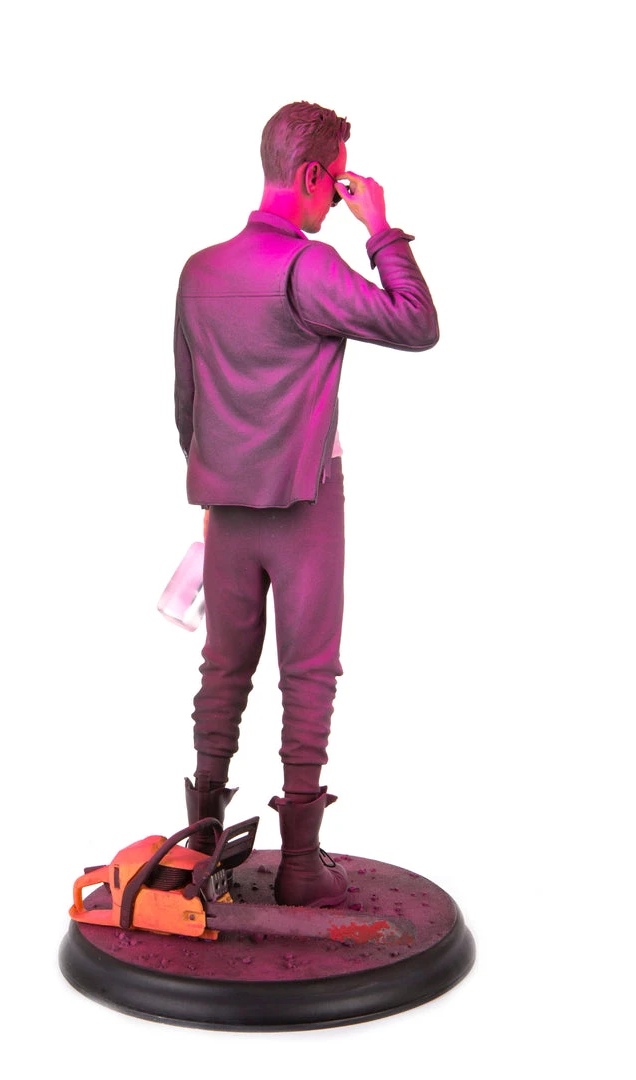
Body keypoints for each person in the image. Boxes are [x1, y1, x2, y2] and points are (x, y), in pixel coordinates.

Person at [174, 101, 438, 907]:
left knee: (222, 667)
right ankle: (297, 864)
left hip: (225, 503)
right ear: (315, 175)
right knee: (308, 672)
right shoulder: (309, 267)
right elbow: (415, 324)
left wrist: (219, 477)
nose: (336, 198)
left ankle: (200, 846)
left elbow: (185, 405)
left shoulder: (199, 270)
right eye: (338, 181)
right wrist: (380, 229)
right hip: (303, 500)